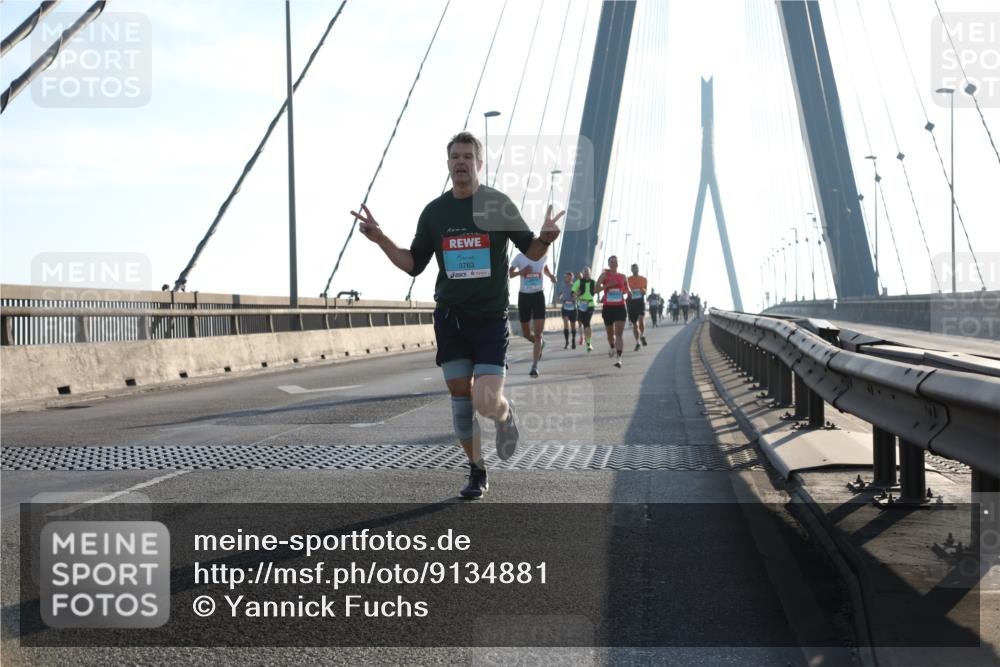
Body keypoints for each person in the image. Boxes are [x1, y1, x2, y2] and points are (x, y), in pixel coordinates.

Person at [353, 131, 563, 499]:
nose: (461, 162)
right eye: (455, 157)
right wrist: (381, 238)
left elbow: (529, 248)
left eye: (468, 156)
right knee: (460, 400)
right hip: (450, 317)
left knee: (486, 400)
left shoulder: (497, 205)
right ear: (448, 164)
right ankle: (477, 470)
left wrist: (545, 239)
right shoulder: (435, 213)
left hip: (489, 317)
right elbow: (413, 265)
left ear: (479, 164)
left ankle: (504, 415)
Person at [510, 252, 555, 377]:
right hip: (524, 297)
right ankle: (541, 344)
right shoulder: (519, 257)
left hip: (538, 296)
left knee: (538, 334)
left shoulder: (544, 255)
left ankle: (534, 366)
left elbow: (544, 267)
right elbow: (509, 273)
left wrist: (550, 275)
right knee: (526, 333)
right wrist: (522, 272)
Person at [596, 255, 629, 368]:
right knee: (610, 334)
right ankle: (612, 346)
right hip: (608, 308)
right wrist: (608, 285)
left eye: (616, 261)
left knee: (619, 334)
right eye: (612, 261)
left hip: (620, 306)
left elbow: (626, 290)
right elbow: (595, 290)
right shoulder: (604, 275)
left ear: (618, 263)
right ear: (609, 264)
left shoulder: (623, 276)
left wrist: (628, 293)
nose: (614, 263)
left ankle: (619, 359)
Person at [572, 267, 597, 352]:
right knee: (585, 324)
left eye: (588, 272)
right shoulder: (578, 282)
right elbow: (572, 293)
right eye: (585, 272)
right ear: (583, 273)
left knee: (587, 323)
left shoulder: (593, 282)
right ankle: (588, 341)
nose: (586, 273)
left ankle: (589, 343)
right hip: (581, 305)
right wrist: (576, 294)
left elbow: (598, 289)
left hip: (590, 304)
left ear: (590, 273)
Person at [626, 263, 648, 351]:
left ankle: (642, 335)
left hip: (640, 301)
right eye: (633, 268)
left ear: (638, 269)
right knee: (635, 324)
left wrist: (643, 291)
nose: (635, 270)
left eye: (636, 268)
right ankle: (638, 342)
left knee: (641, 320)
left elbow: (645, 289)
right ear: (631, 270)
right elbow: (625, 289)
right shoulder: (627, 279)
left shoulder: (643, 279)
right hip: (631, 302)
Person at [556, 271, 578, 350]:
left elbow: (578, 294)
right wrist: (559, 297)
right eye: (565, 277)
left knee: (573, 325)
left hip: (572, 307)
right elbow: (561, 293)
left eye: (567, 277)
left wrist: (576, 297)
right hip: (565, 307)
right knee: (565, 322)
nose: (566, 278)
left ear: (571, 278)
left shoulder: (575, 286)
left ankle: (573, 340)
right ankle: (566, 342)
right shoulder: (563, 286)